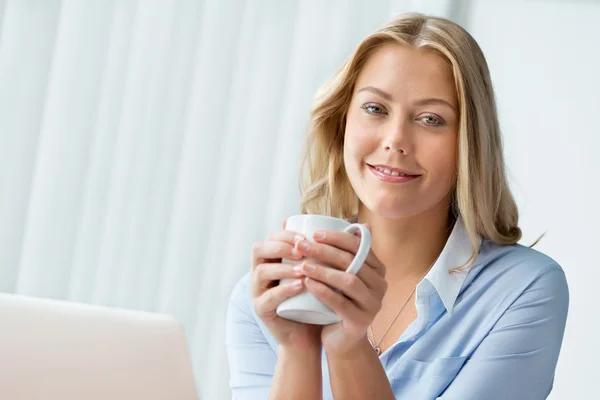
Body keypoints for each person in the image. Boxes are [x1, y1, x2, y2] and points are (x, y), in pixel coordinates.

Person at [225, 12, 569, 400]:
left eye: (430, 119)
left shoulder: (522, 290)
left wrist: (350, 349)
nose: (395, 140)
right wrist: (299, 349)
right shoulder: (264, 299)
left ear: (469, 144)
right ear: (341, 123)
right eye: (375, 109)